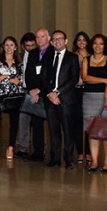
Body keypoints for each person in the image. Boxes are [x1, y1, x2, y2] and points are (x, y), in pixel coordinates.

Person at [39, 30, 82, 169]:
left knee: (68, 130)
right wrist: (50, 94)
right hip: (50, 99)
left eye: (60, 39)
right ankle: (55, 158)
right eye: (55, 40)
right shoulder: (48, 57)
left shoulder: (72, 58)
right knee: (53, 130)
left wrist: (58, 92)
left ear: (66, 41)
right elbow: (43, 77)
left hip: (66, 99)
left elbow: (73, 78)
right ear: (51, 42)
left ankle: (69, 159)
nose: (57, 42)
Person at [80, 34, 107, 172]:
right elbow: (85, 78)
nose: (98, 46)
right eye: (95, 43)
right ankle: (95, 161)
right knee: (93, 132)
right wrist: (103, 80)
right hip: (89, 98)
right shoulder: (86, 59)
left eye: (101, 43)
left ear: (105, 46)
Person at [0, 36, 25, 160]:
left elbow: (23, 78)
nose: (9, 48)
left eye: (11, 45)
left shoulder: (20, 62)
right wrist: (10, 78)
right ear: (3, 47)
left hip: (15, 95)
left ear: (16, 47)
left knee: (14, 122)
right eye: (6, 45)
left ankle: (11, 147)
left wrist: (17, 80)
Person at [22, 28, 52, 161]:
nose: (39, 39)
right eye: (38, 37)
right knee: (37, 122)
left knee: (53, 124)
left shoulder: (53, 52)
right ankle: (38, 152)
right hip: (34, 93)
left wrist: (40, 89)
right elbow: (28, 73)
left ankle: (54, 153)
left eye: (42, 37)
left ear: (48, 38)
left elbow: (52, 74)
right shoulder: (33, 53)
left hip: (48, 93)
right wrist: (31, 90)